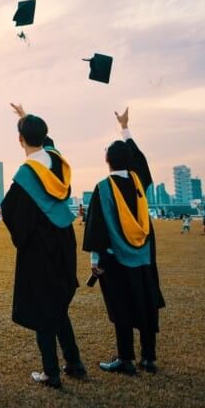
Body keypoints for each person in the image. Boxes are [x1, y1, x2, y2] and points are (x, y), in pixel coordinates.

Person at [1, 104, 84, 389]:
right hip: (65, 238)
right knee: (58, 304)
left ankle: (51, 372)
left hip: (39, 246)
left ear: (19, 140)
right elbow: (47, 143)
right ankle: (74, 362)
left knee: (42, 307)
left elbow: (10, 210)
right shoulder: (58, 162)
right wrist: (25, 118)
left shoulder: (25, 176)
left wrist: (22, 240)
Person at [83, 108, 165, 376]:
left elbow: (97, 226)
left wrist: (95, 259)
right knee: (146, 303)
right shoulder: (139, 182)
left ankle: (126, 359)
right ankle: (149, 358)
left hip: (116, 259)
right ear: (130, 162)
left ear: (106, 159)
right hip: (144, 257)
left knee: (121, 306)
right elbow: (140, 161)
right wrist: (125, 128)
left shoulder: (103, 187)